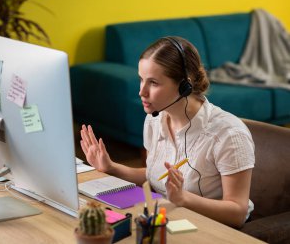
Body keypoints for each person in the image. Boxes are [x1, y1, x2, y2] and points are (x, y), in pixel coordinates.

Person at [80, 36, 255, 228]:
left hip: (211, 229)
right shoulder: (155, 119)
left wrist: (183, 198)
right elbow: (154, 175)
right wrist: (111, 167)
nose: (142, 92)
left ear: (184, 86)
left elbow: (237, 212)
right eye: (141, 80)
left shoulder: (229, 134)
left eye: (153, 83)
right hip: (169, 219)